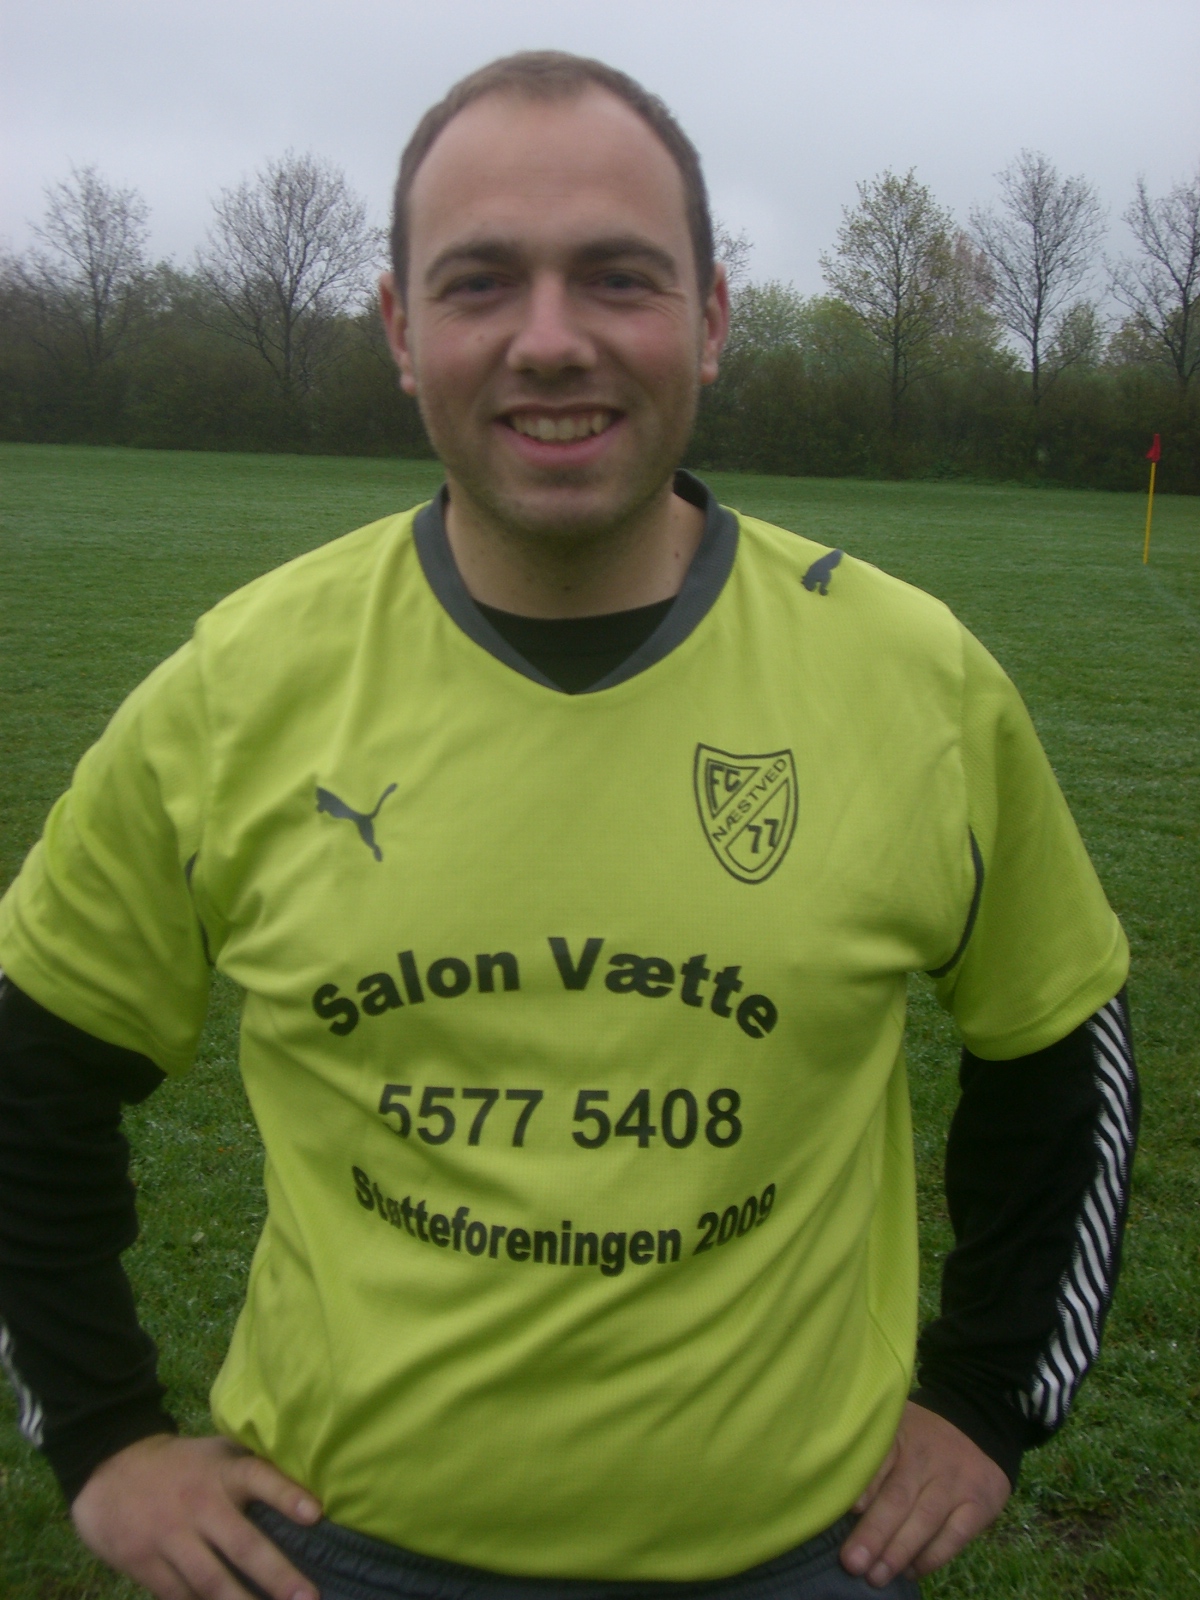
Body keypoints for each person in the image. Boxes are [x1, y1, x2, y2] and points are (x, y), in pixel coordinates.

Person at [0, 51, 1137, 1600]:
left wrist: (990, 1397)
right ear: (402, 331)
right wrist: (103, 1437)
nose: (550, 340)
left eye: (617, 276)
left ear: (711, 318)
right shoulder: (236, 691)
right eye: (480, 283)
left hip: (799, 1557)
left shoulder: (914, 681)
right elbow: (32, 1073)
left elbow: (1061, 1048)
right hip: (332, 1553)